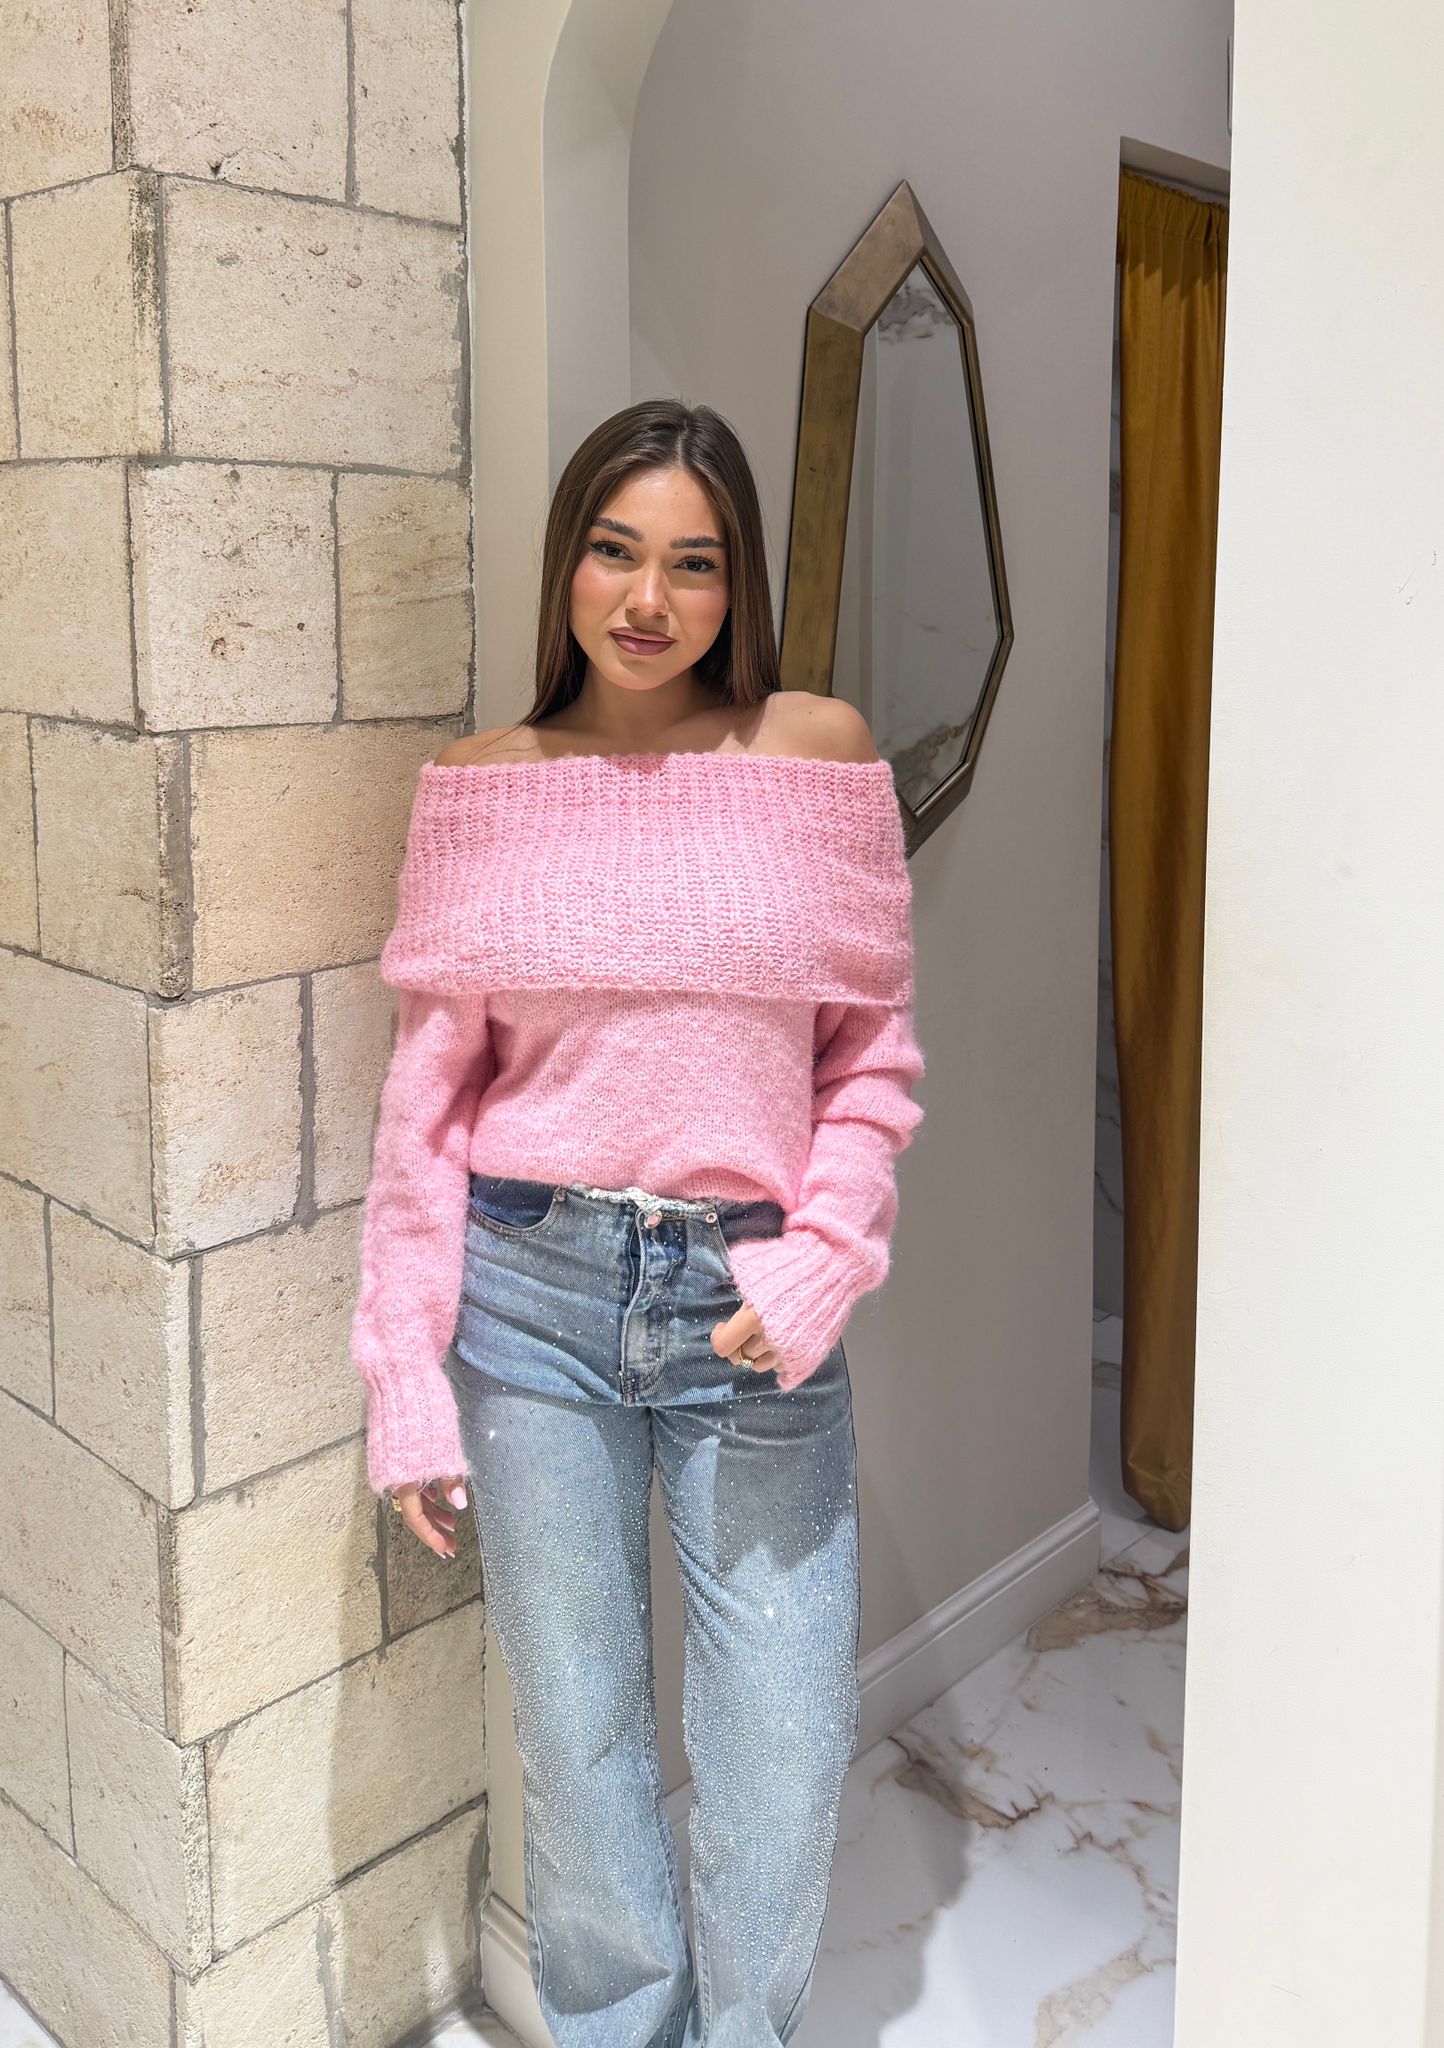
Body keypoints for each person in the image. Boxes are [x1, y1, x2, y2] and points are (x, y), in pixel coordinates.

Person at [350, 397, 925, 2046]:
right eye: (615, 552)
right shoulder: (480, 786)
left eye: (695, 561)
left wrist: (822, 1261)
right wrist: (405, 1379)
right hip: (528, 1295)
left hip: (749, 1303)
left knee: (779, 1743)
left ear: (739, 585)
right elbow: (424, 1115)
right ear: (568, 566)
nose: (649, 599)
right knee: (581, 1734)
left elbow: (869, 1055)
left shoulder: (816, 754)